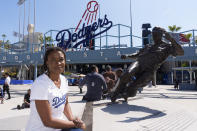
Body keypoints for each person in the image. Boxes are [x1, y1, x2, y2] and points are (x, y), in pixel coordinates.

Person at [111, 27, 184, 102]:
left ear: (161, 35)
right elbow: (137, 54)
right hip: (139, 63)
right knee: (127, 73)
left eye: (156, 35)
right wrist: (127, 56)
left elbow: (181, 52)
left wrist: (171, 39)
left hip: (149, 70)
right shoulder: (148, 46)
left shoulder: (167, 47)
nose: (154, 37)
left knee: (134, 86)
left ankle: (127, 94)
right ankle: (116, 93)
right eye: (153, 35)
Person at [26, 47, 85, 131]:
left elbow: (65, 103)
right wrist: (75, 124)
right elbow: (48, 122)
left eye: (61, 59)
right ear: (47, 62)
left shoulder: (64, 80)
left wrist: (72, 119)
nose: (58, 63)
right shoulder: (40, 84)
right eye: (53, 60)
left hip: (59, 127)